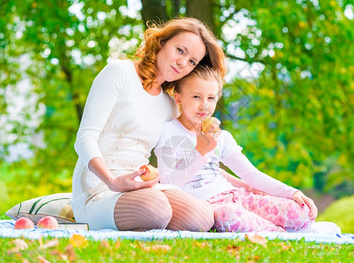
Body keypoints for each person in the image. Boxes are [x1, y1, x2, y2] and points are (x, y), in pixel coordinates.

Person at [72, 17, 227, 231]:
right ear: (162, 42)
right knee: (157, 209)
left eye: (192, 61)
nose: (183, 63)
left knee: (201, 217)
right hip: (100, 187)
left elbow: (176, 161)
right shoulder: (119, 72)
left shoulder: (169, 106)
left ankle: (146, 220)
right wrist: (113, 181)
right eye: (180, 50)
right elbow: (84, 139)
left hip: (142, 186)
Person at [154, 65, 320, 232]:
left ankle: (280, 228)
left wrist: (292, 193)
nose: (204, 106)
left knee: (298, 211)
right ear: (178, 98)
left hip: (235, 195)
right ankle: (279, 232)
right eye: (196, 97)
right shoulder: (169, 131)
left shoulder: (221, 137)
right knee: (231, 216)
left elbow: (251, 174)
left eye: (211, 98)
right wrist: (200, 150)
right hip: (210, 206)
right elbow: (169, 183)